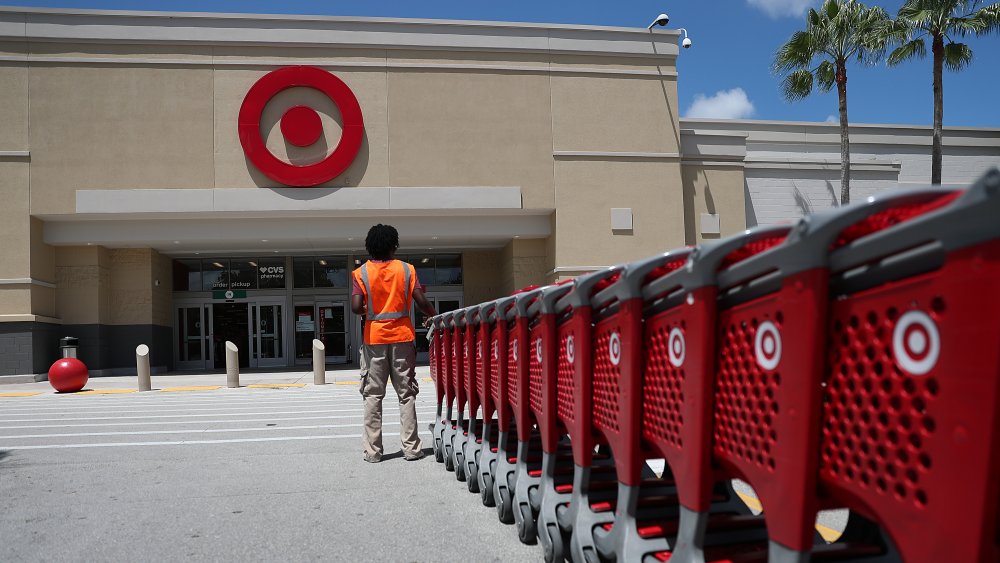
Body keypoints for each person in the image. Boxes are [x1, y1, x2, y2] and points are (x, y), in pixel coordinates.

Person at [351, 224, 438, 463]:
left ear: (370, 246)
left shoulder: (361, 273)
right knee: (406, 394)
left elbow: (356, 307)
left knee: (373, 396)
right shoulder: (406, 270)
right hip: (402, 337)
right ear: (394, 245)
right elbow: (421, 301)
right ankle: (411, 448)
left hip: (374, 339)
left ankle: (373, 452)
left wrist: (370, 310)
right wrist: (434, 316)